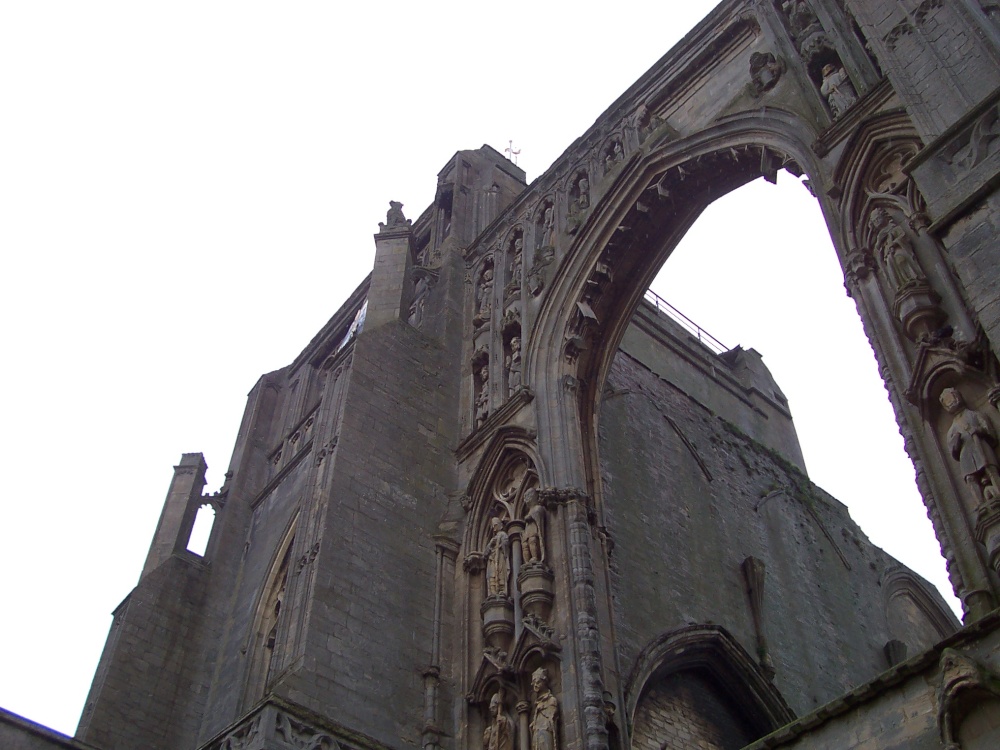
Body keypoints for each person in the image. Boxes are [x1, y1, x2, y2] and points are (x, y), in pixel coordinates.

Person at [941, 387, 1000, 503]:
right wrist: (956, 440)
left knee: (990, 469)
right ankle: (980, 504)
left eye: (951, 398)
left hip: (981, 447)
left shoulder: (974, 415)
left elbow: (989, 431)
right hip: (966, 455)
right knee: (970, 478)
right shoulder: (952, 429)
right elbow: (953, 450)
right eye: (947, 401)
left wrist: (978, 430)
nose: (951, 402)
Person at [530, 668, 558, 750]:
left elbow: (552, 717)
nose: (535, 685)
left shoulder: (551, 700)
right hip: (536, 733)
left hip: (546, 731)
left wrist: (542, 708)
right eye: (534, 683)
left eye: (538, 682)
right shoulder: (537, 703)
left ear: (544, 682)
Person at [485, 517, 510, 597]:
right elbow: (485, 554)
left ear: (500, 525)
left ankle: (502, 590)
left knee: (501, 573)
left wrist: (500, 545)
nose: (494, 528)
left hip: (500, 557)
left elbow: (506, 544)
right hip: (492, 559)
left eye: (495, 525)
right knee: (492, 575)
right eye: (493, 526)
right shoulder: (492, 539)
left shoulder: (503, 534)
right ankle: (493, 592)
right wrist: (490, 544)